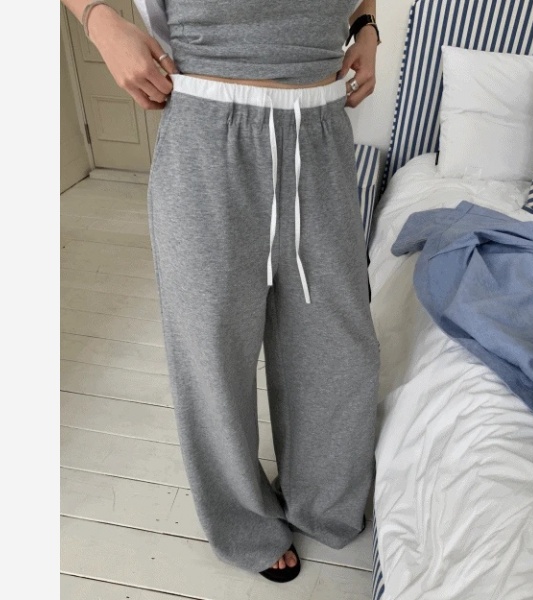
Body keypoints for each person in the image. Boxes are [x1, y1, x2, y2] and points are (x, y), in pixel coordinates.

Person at [62, 0, 382, 584]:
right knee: (211, 352)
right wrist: (100, 22)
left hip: (321, 130)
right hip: (208, 134)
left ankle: (323, 497)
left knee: (336, 345)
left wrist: (366, 25)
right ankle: (244, 523)